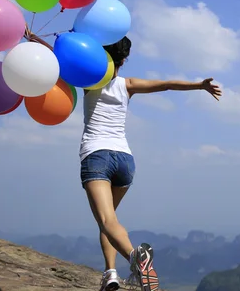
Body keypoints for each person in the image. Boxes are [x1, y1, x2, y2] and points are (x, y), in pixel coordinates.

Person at [28, 32, 222, 291]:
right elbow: (165, 84)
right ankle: (110, 274)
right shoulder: (128, 84)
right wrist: (199, 85)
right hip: (124, 160)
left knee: (107, 221)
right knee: (109, 222)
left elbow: (62, 57)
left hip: (97, 156)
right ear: (125, 58)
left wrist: (35, 40)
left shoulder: (90, 82)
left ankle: (137, 261)